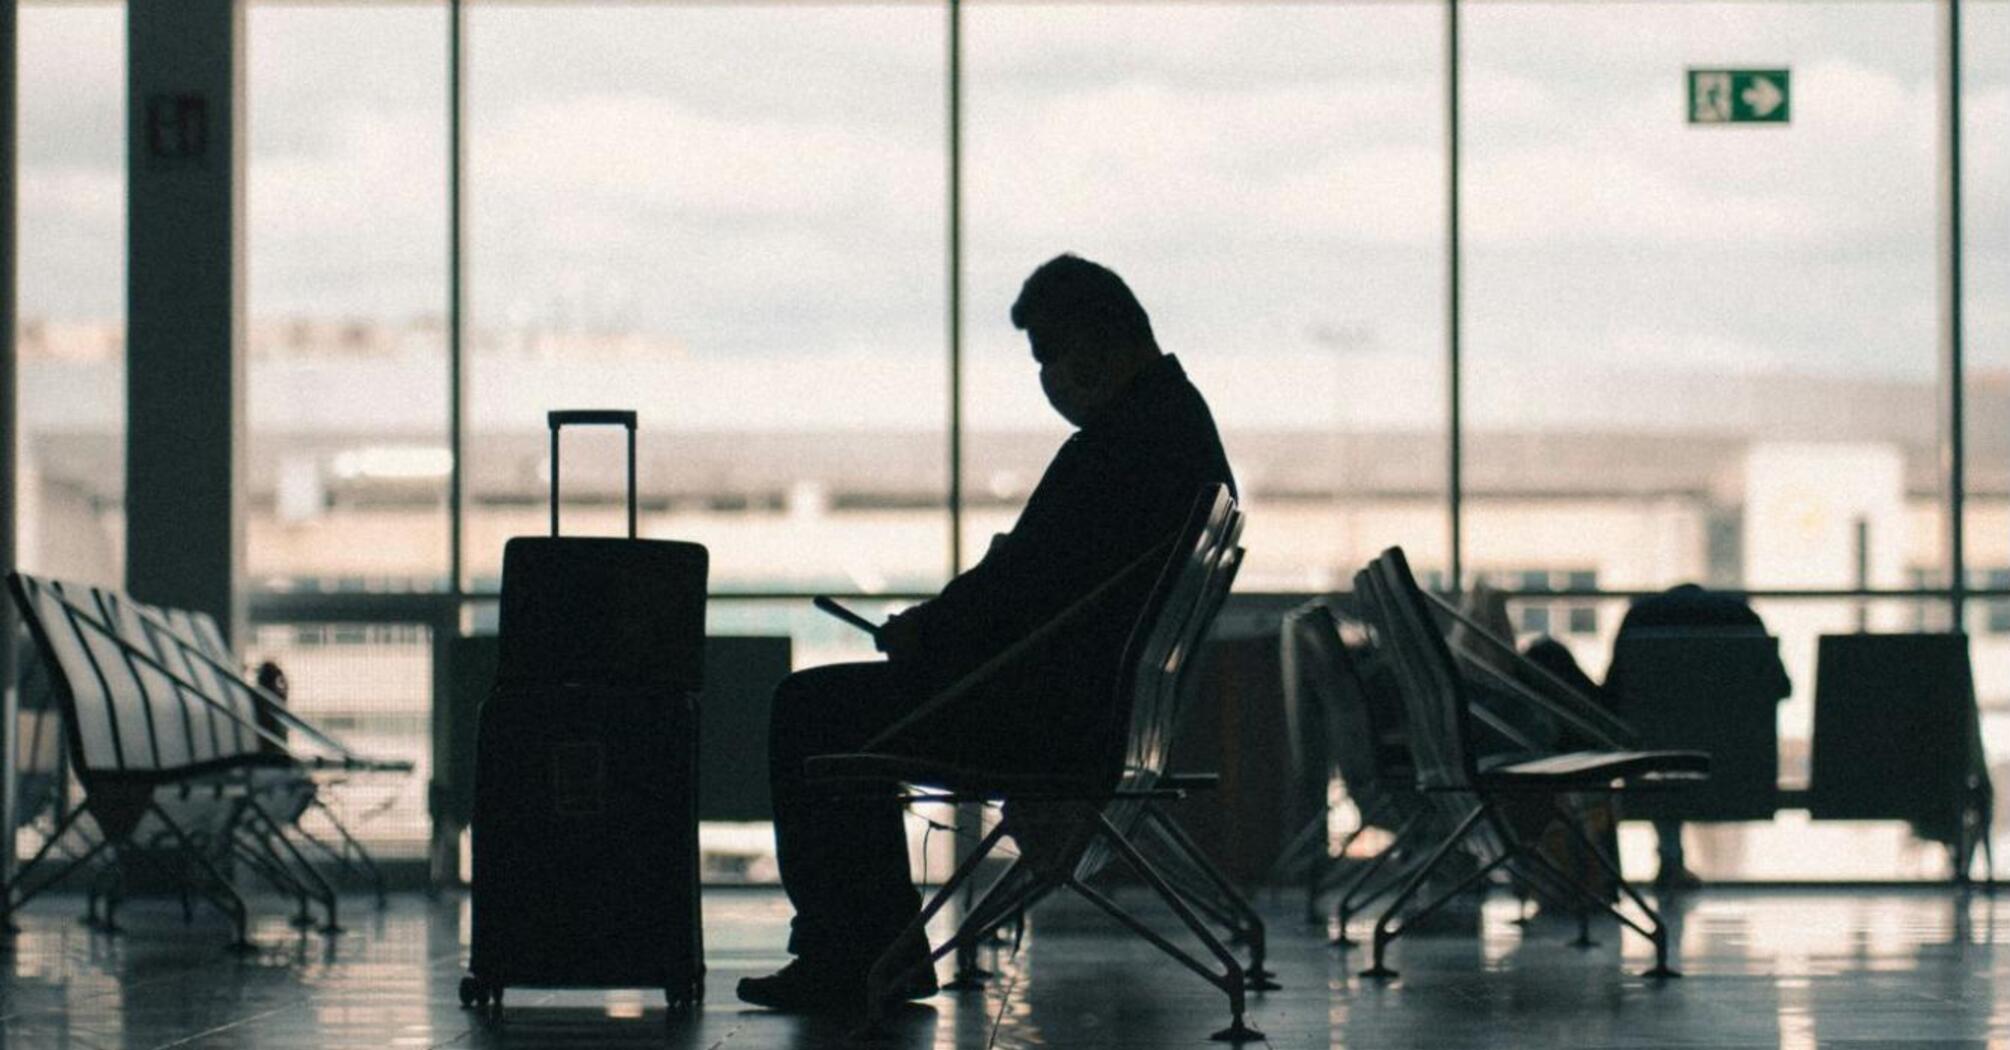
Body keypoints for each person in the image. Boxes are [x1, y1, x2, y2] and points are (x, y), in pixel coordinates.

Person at [738, 254, 1237, 1014]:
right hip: (1090, 715)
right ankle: (876, 949)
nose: (1048, 379)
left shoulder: (1117, 447)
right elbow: (1042, 585)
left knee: (811, 711)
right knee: (831, 709)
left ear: (1099, 338)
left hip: (1047, 722)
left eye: (1048, 354)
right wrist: (946, 627)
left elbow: (1019, 589)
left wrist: (926, 634)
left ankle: (854, 953)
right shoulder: (1175, 429)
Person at [1605, 583, 1790, 889]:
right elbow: (1782, 687)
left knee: (1662, 760)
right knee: (1681, 752)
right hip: (1731, 756)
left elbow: (1614, 694)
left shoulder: (1640, 620)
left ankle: (1670, 856)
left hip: (1659, 756)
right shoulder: (1744, 621)